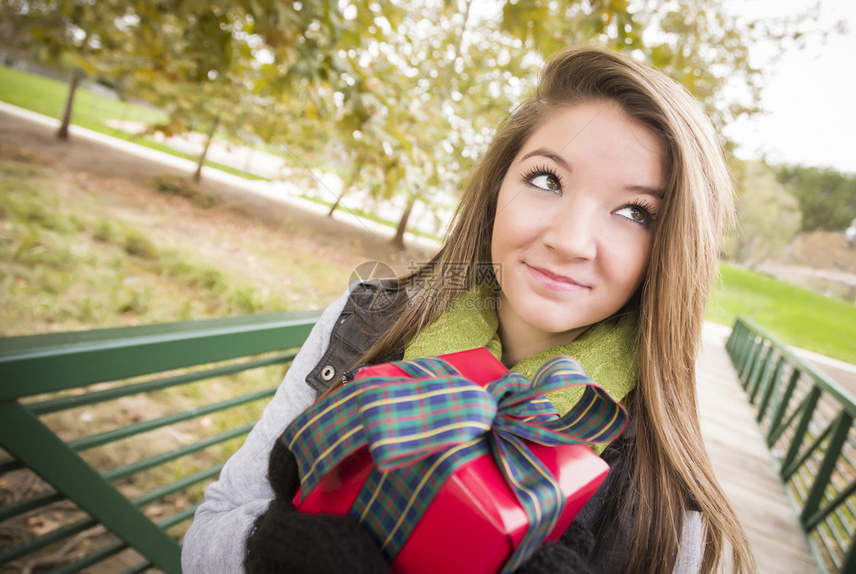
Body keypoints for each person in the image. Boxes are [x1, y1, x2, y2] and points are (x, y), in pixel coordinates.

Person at [181, 47, 755, 573]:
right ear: (498, 188)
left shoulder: (663, 488)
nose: (571, 240)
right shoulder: (363, 327)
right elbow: (211, 529)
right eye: (547, 179)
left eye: (635, 213)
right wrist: (265, 550)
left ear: (671, 251)